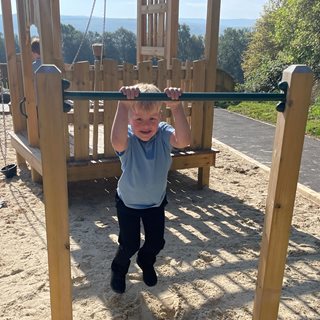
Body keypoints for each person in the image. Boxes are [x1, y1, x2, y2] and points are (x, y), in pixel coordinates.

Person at [110, 83, 191, 294]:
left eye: (152, 119)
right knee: (129, 244)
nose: (146, 125)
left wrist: (176, 107)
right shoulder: (127, 137)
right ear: (130, 119)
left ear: (160, 116)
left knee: (156, 242)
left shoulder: (163, 134)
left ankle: (146, 262)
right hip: (128, 202)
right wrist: (122, 105)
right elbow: (116, 141)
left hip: (155, 202)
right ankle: (118, 268)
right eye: (138, 119)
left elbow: (183, 141)